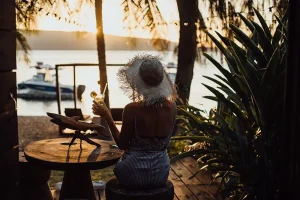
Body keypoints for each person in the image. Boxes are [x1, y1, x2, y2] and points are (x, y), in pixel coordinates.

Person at [92, 54, 177, 189]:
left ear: (139, 82)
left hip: (131, 171)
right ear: (162, 80)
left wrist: (107, 114)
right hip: (160, 173)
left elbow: (121, 144)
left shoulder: (132, 109)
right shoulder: (172, 107)